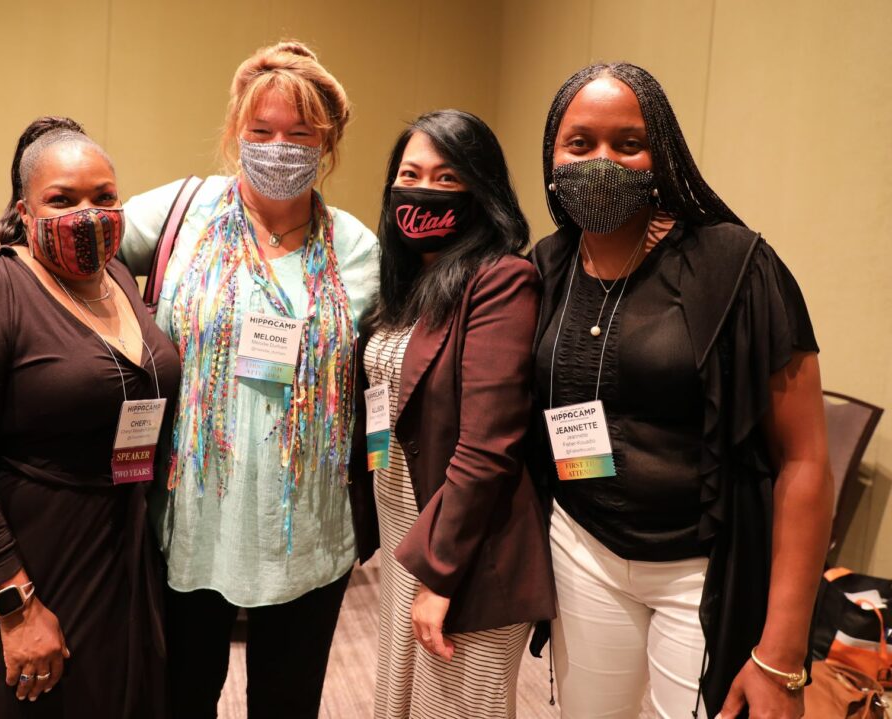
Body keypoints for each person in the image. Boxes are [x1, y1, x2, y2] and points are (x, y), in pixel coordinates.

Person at [0, 41, 379, 719]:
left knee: (288, 705)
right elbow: (66, 234)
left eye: (300, 134)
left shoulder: (358, 249)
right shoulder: (180, 213)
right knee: (176, 700)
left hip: (307, 533)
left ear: (330, 142)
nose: (279, 147)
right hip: (187, 528)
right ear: (235, 132)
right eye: (261, 132)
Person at [529, 63, 832, 719]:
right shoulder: (546, 265)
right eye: (580, 143)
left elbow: (806, 460)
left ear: (661, 154)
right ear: (552, 155)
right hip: (583, 546)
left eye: (628, 143)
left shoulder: (738, 266)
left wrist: (781, 653)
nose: (602, 160)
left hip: (702, 565)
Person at [0, 117, 181, 718]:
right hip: (16, 561)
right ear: (24, 211)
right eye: (61, 199)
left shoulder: (114, 276)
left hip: (112, 551)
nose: (88, 214)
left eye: (104, 197)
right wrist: (15, 604)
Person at [349, 110, 555, 719]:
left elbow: (488, 447)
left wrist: (439, 576)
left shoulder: (501, 279)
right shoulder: (409, 283)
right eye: (411, 175)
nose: (425, 191)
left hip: (463, 553)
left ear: (481, 189)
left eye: (447, 178)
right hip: (402, 535)